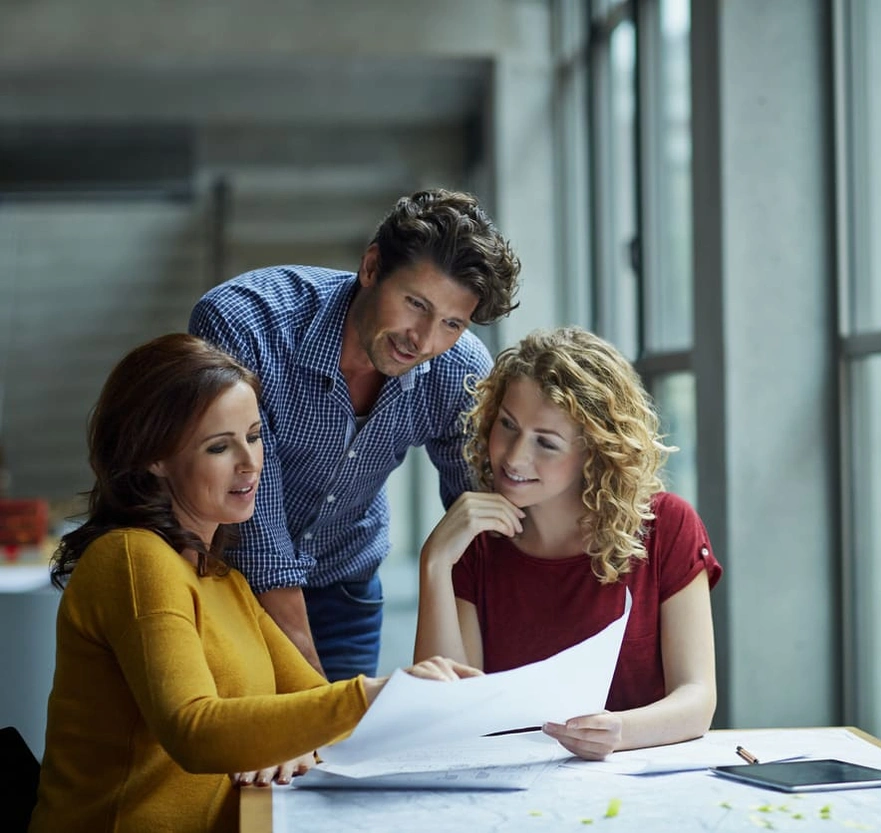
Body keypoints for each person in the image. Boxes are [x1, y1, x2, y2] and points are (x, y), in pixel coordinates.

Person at [29, 334, 479, 833]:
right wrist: (374, 693)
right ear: (153, 457)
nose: (250, 463)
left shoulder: (222, 577)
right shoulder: (135, 559)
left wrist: (300, 741)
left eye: (255, 435)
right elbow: (193, 731)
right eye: (219, 446)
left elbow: (312, 706)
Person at [189, 188, 521, 681]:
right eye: (415, 303)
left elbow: (483, 515)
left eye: (452, 323)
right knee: (249, 748)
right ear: (371, 267)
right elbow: (255, 521)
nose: (425, 340)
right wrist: (321, 695)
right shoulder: (247, 325)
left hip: (345, 585)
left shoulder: (458, 367)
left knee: (341, 755)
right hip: (225, 584)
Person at [413, 327, 721, 761]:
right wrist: (435, 562)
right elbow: (443, 716)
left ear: (594, 453)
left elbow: (697, 698)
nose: (515, 457)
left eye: (546, 442)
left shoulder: (667, 525)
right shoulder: (475, 545)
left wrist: (619, 731)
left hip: (635, 783)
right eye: (507, 424)